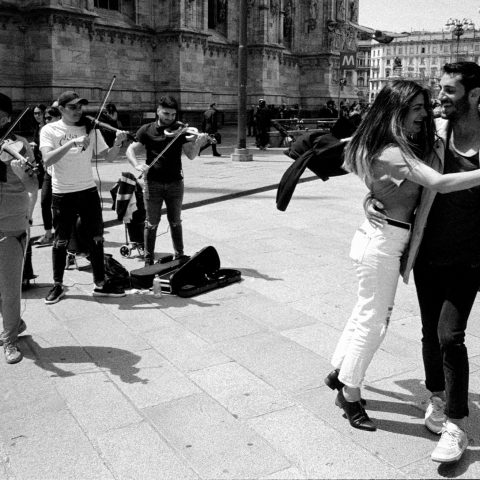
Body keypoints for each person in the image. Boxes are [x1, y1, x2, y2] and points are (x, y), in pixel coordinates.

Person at [324, 78, 480, 443]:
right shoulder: (393, 151)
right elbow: (439, 183)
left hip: (384, 237)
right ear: (395, 111)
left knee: (363, 313)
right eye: (417, 109)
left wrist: (372, 197)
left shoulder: (392, 145)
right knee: (373, 324)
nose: (424, 116)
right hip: (381, 243)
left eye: (426, 109)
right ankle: (350, 393)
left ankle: (339, 372)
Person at [364, 62, 480, 463]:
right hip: (429, 251)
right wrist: (373, 198)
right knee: (431, 334)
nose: (440, 98)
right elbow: (385, 164)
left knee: (451, 336)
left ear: (475, 95)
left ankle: (455, 424)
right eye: (440, 90)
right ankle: (436, 394)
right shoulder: (435, 134)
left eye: (449, 91)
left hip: (471, 257)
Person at [39, 91, 128, 304]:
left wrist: (117, 144)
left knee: (96, 238)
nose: (78, 111)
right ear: (61, 109)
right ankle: (57, 284)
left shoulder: (90, 128)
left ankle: (100, 282)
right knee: (60, 241)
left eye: (80, 107)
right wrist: (71, 143)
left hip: (87, 190)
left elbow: (108, 157)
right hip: (63, 192)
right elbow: (47, 160)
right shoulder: (49, 129)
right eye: (72, 107)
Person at [125, 95, 209, 266]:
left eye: (173, 115)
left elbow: (191, 155)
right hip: (153, 183)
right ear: (158, 111)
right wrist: (137, 165)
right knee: (151, 223)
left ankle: (180, 256)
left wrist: (199, 143)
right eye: (166, 114)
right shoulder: (146, 130)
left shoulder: (180, 130)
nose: (170, 118)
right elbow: (130, 150)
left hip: (175, 182)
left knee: (176, 221)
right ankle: (148, 261)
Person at [0, 93, 37, 363]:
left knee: (9, 286)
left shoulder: (20, 146)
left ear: (6, 118)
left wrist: (24, 173)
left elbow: (33, 187)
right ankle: (14, 325)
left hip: (10, 221)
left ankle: (10, 340)